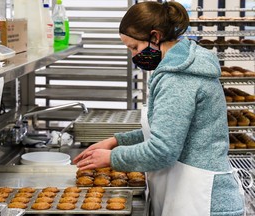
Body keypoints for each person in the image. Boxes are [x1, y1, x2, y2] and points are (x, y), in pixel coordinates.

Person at [73, 1, 245, 216]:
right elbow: (168, 129)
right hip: (193, 192)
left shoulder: (178, 78)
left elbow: (162, 151)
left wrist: (112, 157)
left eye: (134, 47)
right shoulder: (180, 66)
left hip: (203, 201)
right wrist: (117, 141)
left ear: (155, 37)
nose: (134, 56)